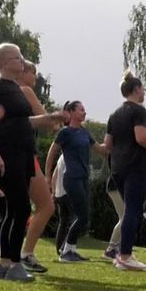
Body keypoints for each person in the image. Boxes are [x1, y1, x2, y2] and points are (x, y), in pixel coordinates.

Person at [0, 44, 65, 281]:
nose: (22, 62)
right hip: (8, 156)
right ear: (6, 62)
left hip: (23, 155)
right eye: (18, 58)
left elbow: (24, 122)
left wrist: (50, 118)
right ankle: (14, 263)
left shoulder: (16, 89)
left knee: (14, 210)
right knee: (20, 209)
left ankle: (5, 264)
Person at [103, 71, 146, 270]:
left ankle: (123, 254)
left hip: (118, 168)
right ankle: (126, 255)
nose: (144, 92)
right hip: (136, 167)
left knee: (129, 211)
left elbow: (108, 145)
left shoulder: (114, 115)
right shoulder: (139, 111)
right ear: (137, 89)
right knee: (133, 211)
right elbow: (141, 138)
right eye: (143, 88)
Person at [46, 101, 108, 262]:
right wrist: (47, 177)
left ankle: (71, 250)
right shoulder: (65, 133)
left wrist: (113, 138)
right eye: (81, 110)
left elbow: (101, 150)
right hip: (71, 178)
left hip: (83, 178)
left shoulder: (85, 133)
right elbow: (51, 154)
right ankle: (66, 251)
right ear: (71, 113)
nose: (84, 113)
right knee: (82, 217)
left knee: (84, 217)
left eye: (84, 110)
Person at [18, 60, 57, 273]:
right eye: (34, 73)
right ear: (23, 72)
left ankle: (17, 255)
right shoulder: (25, 90)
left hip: (11, 153)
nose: (35, 78)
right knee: (46, 205)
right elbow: (48, 121)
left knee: (18, 208)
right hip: (25, 153)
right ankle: (25, 253)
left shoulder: (4, 90)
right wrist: (58, 119)